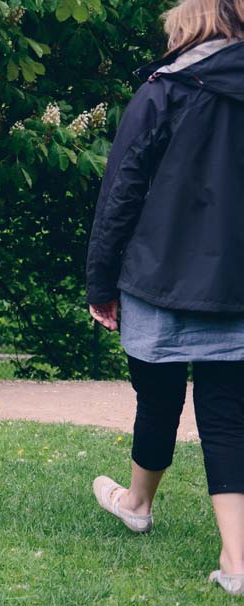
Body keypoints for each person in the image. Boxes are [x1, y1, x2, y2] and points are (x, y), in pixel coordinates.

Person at [85, 0, 244, 595]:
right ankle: (236, 561)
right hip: (236, 286)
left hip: (159, 275)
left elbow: (122, 188)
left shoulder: (166, 88)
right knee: (229, 418)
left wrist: (101, 282)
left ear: (189, 24)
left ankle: (137, 504)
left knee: (157, 398)